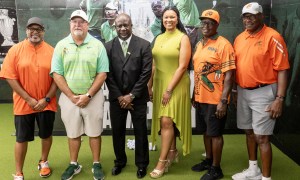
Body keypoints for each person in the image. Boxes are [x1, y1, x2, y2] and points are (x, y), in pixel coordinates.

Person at [232, 2, 290, 180]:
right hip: (242, 91)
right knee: (249, 132)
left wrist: (279, 98)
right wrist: (234, 91)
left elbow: (282, 69)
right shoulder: (239, 38)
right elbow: (237, 67)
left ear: (261, 16)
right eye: (245, 16)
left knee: (262, 137)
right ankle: (253, 169)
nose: (248, 19)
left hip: (264, 92)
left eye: (252, 16)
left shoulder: (273, 37)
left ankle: (266, 178)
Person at [50, 10, 109, 180]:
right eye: (74, 21)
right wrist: (71, 96)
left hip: (93, 97)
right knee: (73, 133)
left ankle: (96, 163)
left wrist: (88, 95)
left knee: (94, 133)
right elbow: (57, 74)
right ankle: (74, 164)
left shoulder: (97, 45)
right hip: (70, 98)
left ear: (87, 24)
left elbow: (102, 73)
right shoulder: (61, 45)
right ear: (70, 24)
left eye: (81, 21)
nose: (77, 24)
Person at [0, 17, 57, 179]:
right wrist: (29, 99)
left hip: (46, 103)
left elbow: (57, 78)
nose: (35, 32)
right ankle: (19, 172)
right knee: (21, 138)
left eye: (38, 29)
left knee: (46, 134)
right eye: (31, 29)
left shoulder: (52, 51)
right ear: (26, 31)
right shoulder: (15, 50)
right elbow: (10, 77)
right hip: (23, 104)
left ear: (43, 32)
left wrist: (45, 99)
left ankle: (43, 162)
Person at [105, 13, 152, 179]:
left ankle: (141, 164)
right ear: (115, 27)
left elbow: (146, 73)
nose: (123, 28)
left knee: (140, 132)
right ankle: (120, 162)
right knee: (117, 132)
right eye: (119, 26)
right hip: (116, 98)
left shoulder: (144, 45)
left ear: (131, 25)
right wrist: (120, 96)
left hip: (137, 98)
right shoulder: (108, 47)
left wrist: (131, 96)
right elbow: (107, 74)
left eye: (126, 25)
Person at [191, 9, 236, 180]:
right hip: (201, 97)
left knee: (215, 134)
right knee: (206, 131)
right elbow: (198, 71)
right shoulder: (200, 43)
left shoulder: (223, 44)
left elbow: (230, 74)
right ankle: (208, 160)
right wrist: (194, 94)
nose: (206, 25)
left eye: (210, 22)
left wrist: (223, 101)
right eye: (203, 22)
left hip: (216, 99)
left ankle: (216, 169)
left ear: (217, 25)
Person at [148, 6, 192, 178]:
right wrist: (149, 85)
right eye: (166, 17)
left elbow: (182, 67)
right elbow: (153, 64)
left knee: (166, 121)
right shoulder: (158, 38)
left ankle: (162, 161)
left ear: (178, 18)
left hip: (176, 84)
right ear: (162, 19)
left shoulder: (183, 38)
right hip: (159, 83)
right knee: (167, 121)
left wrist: (168, 90)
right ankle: (172, 151)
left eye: (172, 17)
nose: (169, 20)